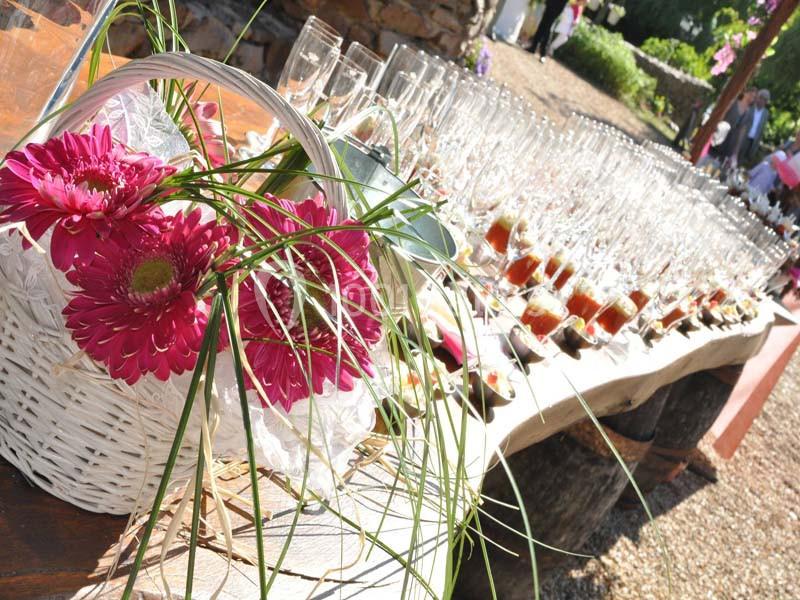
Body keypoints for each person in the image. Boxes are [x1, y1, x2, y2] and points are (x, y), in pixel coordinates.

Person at [709, 87, 757, 169]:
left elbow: (742, 133)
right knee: (709, 156)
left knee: (719, 164)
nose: (751, 98)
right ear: (745, 93)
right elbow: (722, 116)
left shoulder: (749, 113)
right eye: (750, 95)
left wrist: (735, 152)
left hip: (731, 142)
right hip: (720, 134)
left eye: (754, 97)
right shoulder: (734, 103)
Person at [738, 89, 771, 166]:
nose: (762, 101)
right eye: (761, 97)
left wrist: (756, 146)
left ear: (766, 102)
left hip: (752, 141)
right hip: (741, 136)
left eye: (765, 99)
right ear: (757, 97)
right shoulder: (750, 107)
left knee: (741, 160)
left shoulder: (766, 114)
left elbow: (761, 131)